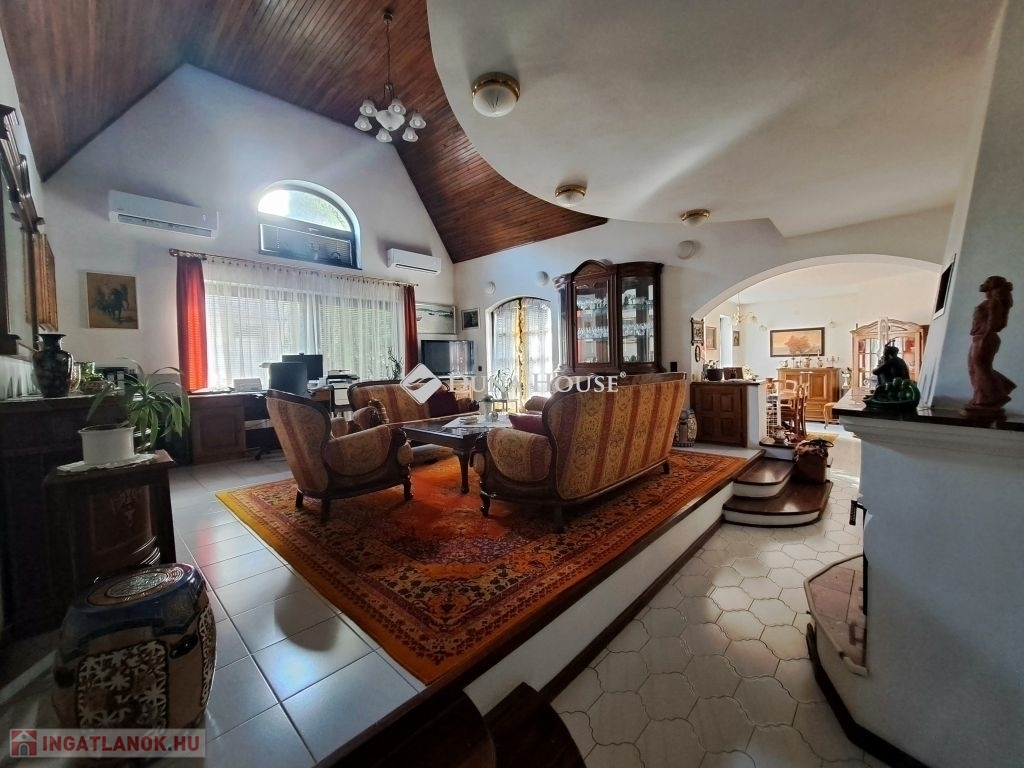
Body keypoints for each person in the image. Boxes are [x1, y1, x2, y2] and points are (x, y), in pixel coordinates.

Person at [966, 275, 1016, 411]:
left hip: (985, 337)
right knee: (974, 369)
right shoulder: (990, 302)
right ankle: (991, 393)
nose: (985, 292)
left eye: (987, 288)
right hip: (979, 338)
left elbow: (993, 322)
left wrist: (984, 337)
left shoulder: (993, 303)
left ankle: (992, 398)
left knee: (981, 369)